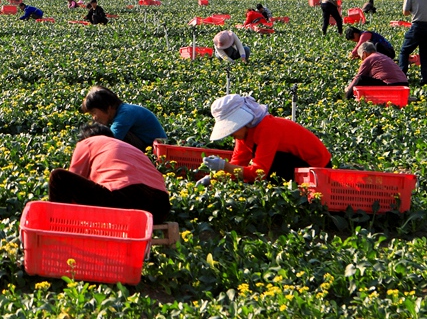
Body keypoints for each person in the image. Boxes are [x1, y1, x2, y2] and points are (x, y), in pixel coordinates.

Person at [47, 124, 170, 221]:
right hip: (159, 207)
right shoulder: (131, 148)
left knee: (58, 177)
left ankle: (58, 226)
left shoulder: (87, 142)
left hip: (123, 199)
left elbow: (74, 180)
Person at [201, 94, 331, 184]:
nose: (230, 133)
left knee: (266, 173)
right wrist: (214, 179)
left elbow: (258, 174)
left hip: (317, 170)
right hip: (293, 165)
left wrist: (224, 166)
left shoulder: (268, 129)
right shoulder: (243, 135)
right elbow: (237, 165)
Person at [80, 86, 167, 151]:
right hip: (147, 145)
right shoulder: (122, 111)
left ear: (107, 107)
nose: (94, 118)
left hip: (156, 150)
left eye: (94, 112)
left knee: (111, 140)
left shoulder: (125, 114)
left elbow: (111, 141)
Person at [344, 42, 408, 99]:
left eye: (361, 57)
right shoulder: (383, 56)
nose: (362, 60)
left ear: (364, 54)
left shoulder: (369, 59)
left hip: (391, 85)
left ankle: (347, 98)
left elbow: (358, 77)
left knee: (360, 79)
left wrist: (348, 89)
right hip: (404, 85)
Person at [399, 0, 427, 86]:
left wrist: (415, 10)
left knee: (404, 51)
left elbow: (405, 12)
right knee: (425, 54)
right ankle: (425, 80)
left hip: (417, 26)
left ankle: (401, 77)